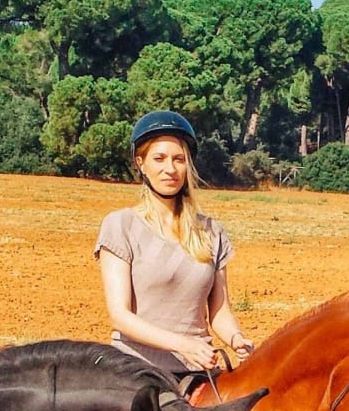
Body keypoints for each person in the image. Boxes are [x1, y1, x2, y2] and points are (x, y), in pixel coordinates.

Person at [95, 111, 254, 377]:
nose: (170, 169)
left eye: (178, 159)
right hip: (135, 371)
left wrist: (236, 338)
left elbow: (219, 311)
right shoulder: (120, 225)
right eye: (159, 158)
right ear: (141, 163)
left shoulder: (211, 232)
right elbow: (120, 316)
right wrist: (183, 345)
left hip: (199, 368)